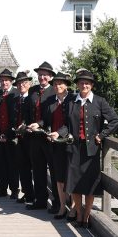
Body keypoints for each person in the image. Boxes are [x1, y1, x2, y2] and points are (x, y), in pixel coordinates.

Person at [67, 69, 118, 228]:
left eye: (88, 83)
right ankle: (79, 214)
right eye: (82, 83)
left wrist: (101, 135)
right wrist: (59, 133)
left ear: (92, 85)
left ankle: (87, 216)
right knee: (75, 184)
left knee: (90, 184)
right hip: (74, 148)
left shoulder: (99, 101)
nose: (84, 85)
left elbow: (114, 120)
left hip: (92, 149)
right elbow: (65, 124)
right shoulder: (71, 101)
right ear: (77, 84)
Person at [43, 71, 74, 219]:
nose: (57, 86)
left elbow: (71, 124)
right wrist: (41, 127)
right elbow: (46, 121)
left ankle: (73, 208)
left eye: (60, 83)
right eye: (55, 84)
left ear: (66, 85)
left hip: (69, 144)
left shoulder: (73, 100)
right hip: (55, 145)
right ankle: (62, 207)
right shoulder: (50, 101)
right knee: (59, 178)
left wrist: (59, 133)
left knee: (71, 177)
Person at [24, 61, 55, 210]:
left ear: (50, 77)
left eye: (45, 75)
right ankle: (41, 200)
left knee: (54, 170)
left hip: (49, 136)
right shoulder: (33, 90)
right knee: (37, 170)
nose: (42, 77)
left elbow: (54, 115)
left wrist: (40, 124)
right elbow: (28, 111)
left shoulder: (55, 91)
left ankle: (57, 203)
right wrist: (27, 125)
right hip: (34, 137)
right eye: (40, 75)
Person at [0, 68, 18, 198]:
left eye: (7, 80)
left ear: (11, 81)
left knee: (12, 164)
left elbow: (17, 117)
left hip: (11, 135)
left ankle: (14, 190)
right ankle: (1, 188)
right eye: (2, 80)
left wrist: (7, 134)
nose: (4, 82)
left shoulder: (16, 95)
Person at [10, 71, 34, 203]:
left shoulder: (32, 98)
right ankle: (27, 193)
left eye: (24, 83)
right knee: (22, 167)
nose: (21, 85)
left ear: (29, 84)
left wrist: (26, 126)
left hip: (30, 138)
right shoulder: (15, 100)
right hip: (18, 138)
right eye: (19, 83)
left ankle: (36, 194)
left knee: (33, 167)